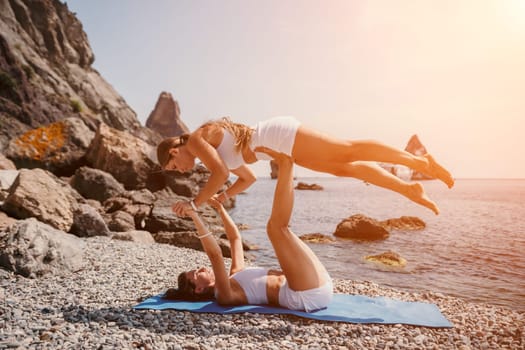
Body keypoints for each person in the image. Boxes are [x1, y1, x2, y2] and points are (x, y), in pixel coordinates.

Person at [157, 116, 454, 215]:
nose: (181, 171)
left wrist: (195, 203)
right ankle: (408, 188)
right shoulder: (211, 150)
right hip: (281, 149)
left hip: (280, 134)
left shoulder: (195, 139)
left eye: (174, 166)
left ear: (174, 150)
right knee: (344, 168)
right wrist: (224, 196)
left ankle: (419, 161)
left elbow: (220, 173)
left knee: (347, 151)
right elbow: (247, 179)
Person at [164, 149, 333, 312]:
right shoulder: (224, 295)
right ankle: (285, 163)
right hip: (305, 295)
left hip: (318, 283)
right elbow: (215, 255)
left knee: (283, 231)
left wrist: (220, 209)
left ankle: (286, 162)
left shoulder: (236, 275)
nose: (201, 267)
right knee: (276, 229)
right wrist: (194, 215)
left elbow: (235, 239)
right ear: (199, 289)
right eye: (197, 273)